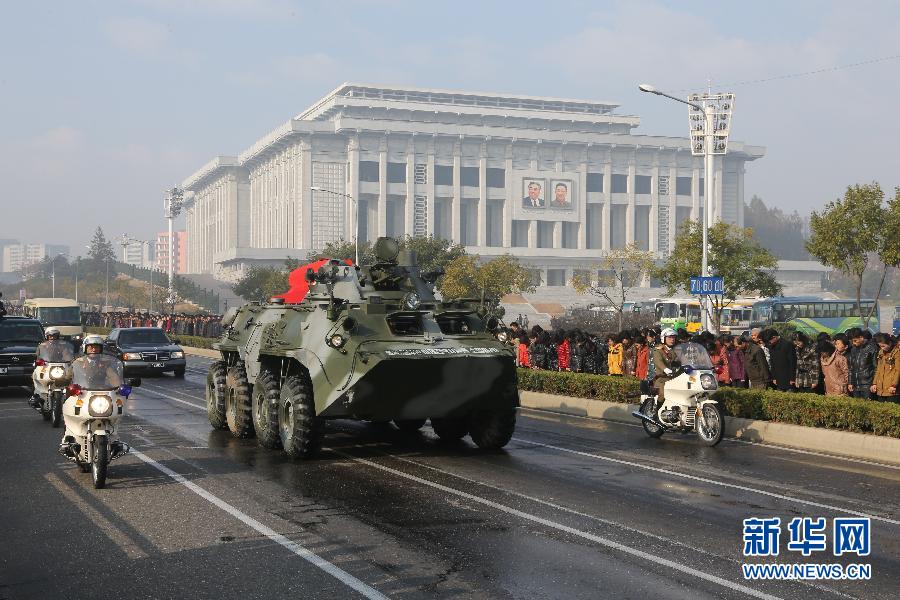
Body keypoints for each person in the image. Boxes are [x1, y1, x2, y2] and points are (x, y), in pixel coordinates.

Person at [846, 327, 878, 400]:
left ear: (861, 337)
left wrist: (874, 383)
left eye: (855, 340)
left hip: (868, 385)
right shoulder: (853, 350)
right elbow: (851, 368)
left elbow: (876, 367)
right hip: (855, 385)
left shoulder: (872, 348)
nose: (853, 343)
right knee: (857, 406)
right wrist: (850, 382)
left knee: (868, 406)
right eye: (852, 341)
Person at [870, 333, 899, 403]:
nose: (882, 348)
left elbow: (898, 370)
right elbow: (878, 369)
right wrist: (874, 383)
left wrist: (894, 385)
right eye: (880, 346)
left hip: (891, 388)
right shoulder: (881, 352)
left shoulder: (897, 352)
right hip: (880, 388)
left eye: (883, 346)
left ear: (890, 343)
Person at [652, 328, 679, 402]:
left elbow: (683, 359)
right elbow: (658, 361)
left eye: (673, 337)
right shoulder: (658, 350)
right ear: (663, 338)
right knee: (663, 394)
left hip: (676, 378)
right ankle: (658, 408)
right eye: (669, 337)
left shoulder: (676, 350)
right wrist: (665, 369)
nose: (672, 339)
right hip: (663, 378)